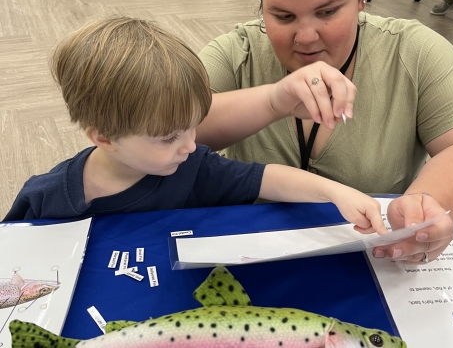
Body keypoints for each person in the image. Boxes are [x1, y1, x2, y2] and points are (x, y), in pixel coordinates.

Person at [2, 16, 388, 236]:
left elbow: (267, 178)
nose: (191, 144)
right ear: (103, 137)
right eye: (169, 137)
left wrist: (337, 193)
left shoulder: (192, 168)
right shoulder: (45, 198)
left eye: (192, 126)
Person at [195, 0, 453, 265]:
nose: (306, 37)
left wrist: (422, 205)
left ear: (360, 1)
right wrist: (270, 102)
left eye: (327, 12)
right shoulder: (237, 52)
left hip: (375, 261)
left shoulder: (414, 51)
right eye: (284, 16)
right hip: (251, 253)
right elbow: (165, 130)